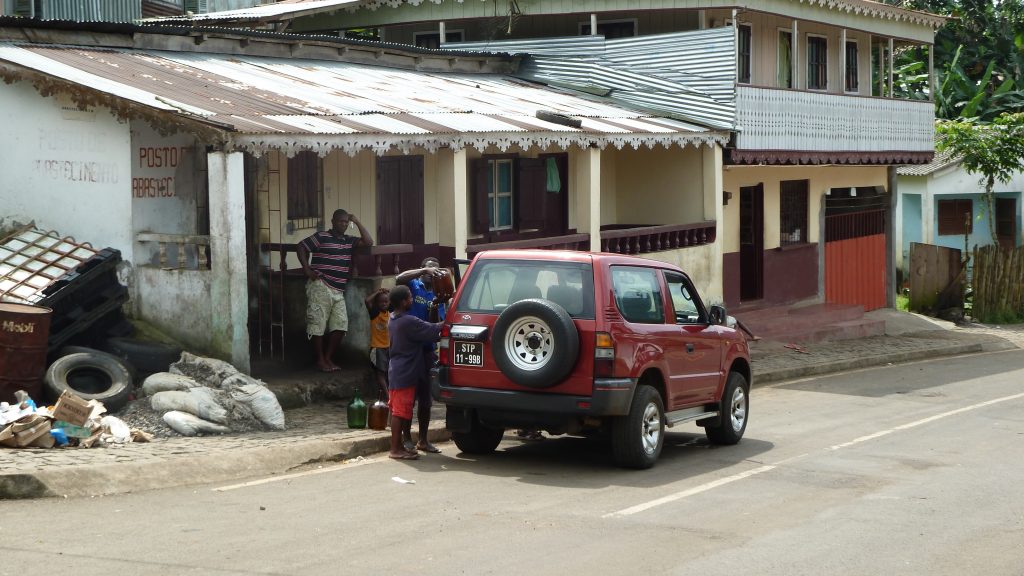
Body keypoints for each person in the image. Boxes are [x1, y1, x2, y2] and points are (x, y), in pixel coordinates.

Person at [297, 209, 373, 372]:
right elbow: (301, 246)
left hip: (338, 289)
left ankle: (328, 358)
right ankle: (321, 360)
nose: (344, 224)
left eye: (346, 222)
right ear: (333, 222)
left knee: (340, 325)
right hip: (321, 285)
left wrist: (357, 221)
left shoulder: (349, 240)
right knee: (317, 325)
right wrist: (306, 269)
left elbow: (368, 242)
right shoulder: (322, 236)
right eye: (340, 221)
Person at [395, 258, 449, 453]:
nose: (431, 270)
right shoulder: (413, 285)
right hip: (409, 349)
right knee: (408, 396)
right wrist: (421, 270)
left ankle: (423, 439)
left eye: (435, 267)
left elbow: (437, 324)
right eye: (428, 266)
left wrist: (435, 306)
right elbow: (398, 278)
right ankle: (406, 437)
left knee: (426, 399)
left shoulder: (439, 293)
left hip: (426, 350)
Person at [386, 285, 442, 460]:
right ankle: (395, 449)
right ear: (403, 302)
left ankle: (401, 446)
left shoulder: (393, 318)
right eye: (410, 297)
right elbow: (435, 329)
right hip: (405, 372)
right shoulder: (408, 321)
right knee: (400, 412)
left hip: (397, 369)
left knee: (399, 410)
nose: (412, 300)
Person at [364, 287, 390, 401]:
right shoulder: (375, 313)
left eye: (386, 301)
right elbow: (367, 301)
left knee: (387, 373)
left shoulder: (390, 313)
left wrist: (389, 293)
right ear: (377, 303)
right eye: (381, 302)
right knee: (380, 374)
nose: (384, 304)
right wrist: (378, 292)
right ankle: (388, 396)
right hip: (377, 348)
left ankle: (385, 395)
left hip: (388, 348)